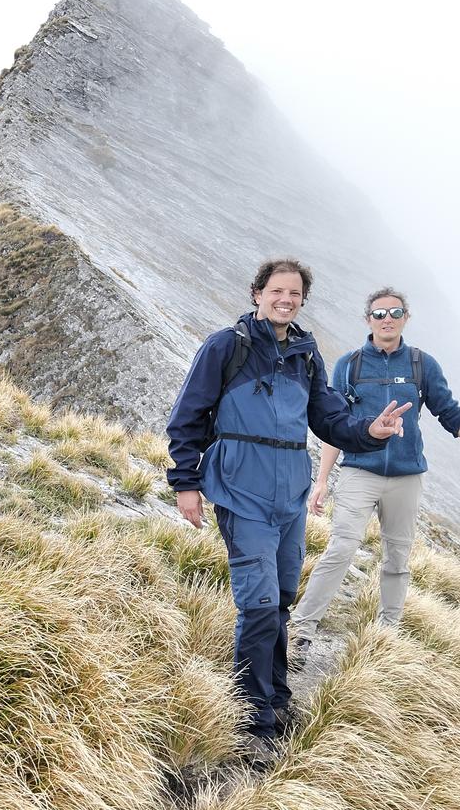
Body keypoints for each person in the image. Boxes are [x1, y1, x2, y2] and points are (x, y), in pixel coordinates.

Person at [165, 258, 410, 759]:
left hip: (291, 497)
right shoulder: (226, 347)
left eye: (295, 293)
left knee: (278, 601)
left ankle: (273, 696)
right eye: (277, 290)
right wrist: (185, 483)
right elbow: (187, 416)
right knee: (255, 605)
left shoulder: (305, 352)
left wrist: (369, 430)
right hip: (240, 491)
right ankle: (250, 714)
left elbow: (329, 419)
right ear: (257, 293)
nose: (286, 299)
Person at [289, 287, 460, 666]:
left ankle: (386, 633)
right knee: (341, 547)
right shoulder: (350, 365)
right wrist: (322, 480)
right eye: (379, 314)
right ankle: (301, 630)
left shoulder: (421, 364)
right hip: (359, 472)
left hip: (406, 478)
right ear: (368, 319)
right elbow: (335, 425)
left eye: (395, 312)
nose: (387, 319)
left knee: (397, 557)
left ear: (406, 318)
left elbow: (449, 412)